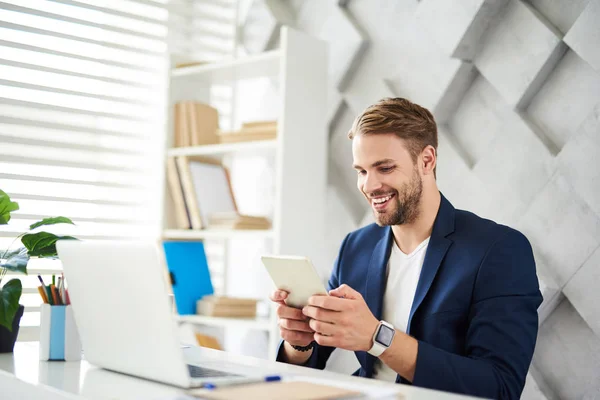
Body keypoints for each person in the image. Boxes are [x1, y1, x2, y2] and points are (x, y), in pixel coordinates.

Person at [270, 97, 542, 399]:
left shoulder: (499, 249)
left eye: (384, 168)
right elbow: (312, 360)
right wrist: (300, 342)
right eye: (361, 171)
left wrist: (377, 337)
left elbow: (500, 387)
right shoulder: (355, 247)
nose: (369, 185)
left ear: (427, 160)